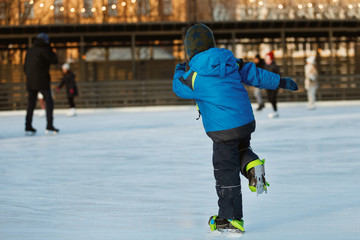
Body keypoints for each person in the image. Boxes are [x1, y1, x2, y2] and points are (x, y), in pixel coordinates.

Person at [172, 24, 298, 233]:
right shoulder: (231, 63)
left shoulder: (193, 75)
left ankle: (230, 218)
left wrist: (178, 71)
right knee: (240, 149)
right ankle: (252, 165)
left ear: (190, 49)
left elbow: (179, 88)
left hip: (222, 130)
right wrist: (281, 82)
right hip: (244, 122)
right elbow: (256, 74)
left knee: (225, 170)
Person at [24, 32, 59, 135]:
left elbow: (25, 68)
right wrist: (51, 49)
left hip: (30, 81)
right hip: (42, 80)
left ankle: (28, 125)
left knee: (31, 103)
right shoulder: (45, 49)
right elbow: (54, 60)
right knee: (49, 102)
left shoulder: (30, 51)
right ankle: (49, 125)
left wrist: (30, 76)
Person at [264, 51, 281, 118]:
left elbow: (278, 75)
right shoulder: (266, 66)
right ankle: (274, 110)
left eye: (268, 59)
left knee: (273, 97)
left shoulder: (274, 66)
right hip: (268, 85)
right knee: (269, 98)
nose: (266, 60)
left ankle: (275, 111)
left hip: (274, 85)